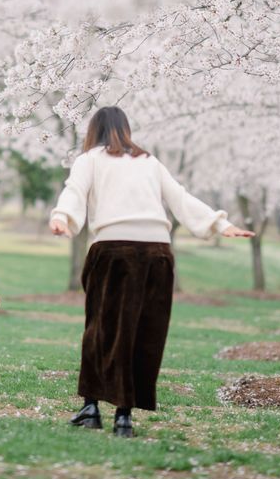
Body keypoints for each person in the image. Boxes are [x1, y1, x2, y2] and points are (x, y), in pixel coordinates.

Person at [49, 106, 254, 437]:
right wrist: (220, 224)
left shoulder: (90, 159)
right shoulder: (148, 161)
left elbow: (74, 191)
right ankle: (123, 415)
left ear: (94, 130)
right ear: (125, 129)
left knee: (102, 329)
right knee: (143, 333)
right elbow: (181, 199)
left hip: (115, 251)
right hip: (157, 254)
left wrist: (63, 218)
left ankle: (92, 407)